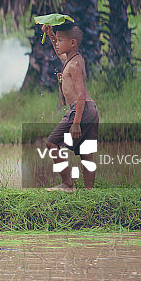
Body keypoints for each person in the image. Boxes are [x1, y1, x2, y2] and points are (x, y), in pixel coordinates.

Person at [41, 21, 99, 192]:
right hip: (90, 109)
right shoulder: (73, 59)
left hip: (81, 109)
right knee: (86, 152)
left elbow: (80, 95)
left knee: (51, 143)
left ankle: (67, 184)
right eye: (56, 41)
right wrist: (51, 33)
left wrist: (76, 122)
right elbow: (60, 55)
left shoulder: (74, 65)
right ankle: (89, 191)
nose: (56, 44)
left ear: (72, 43)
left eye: (60, 41)